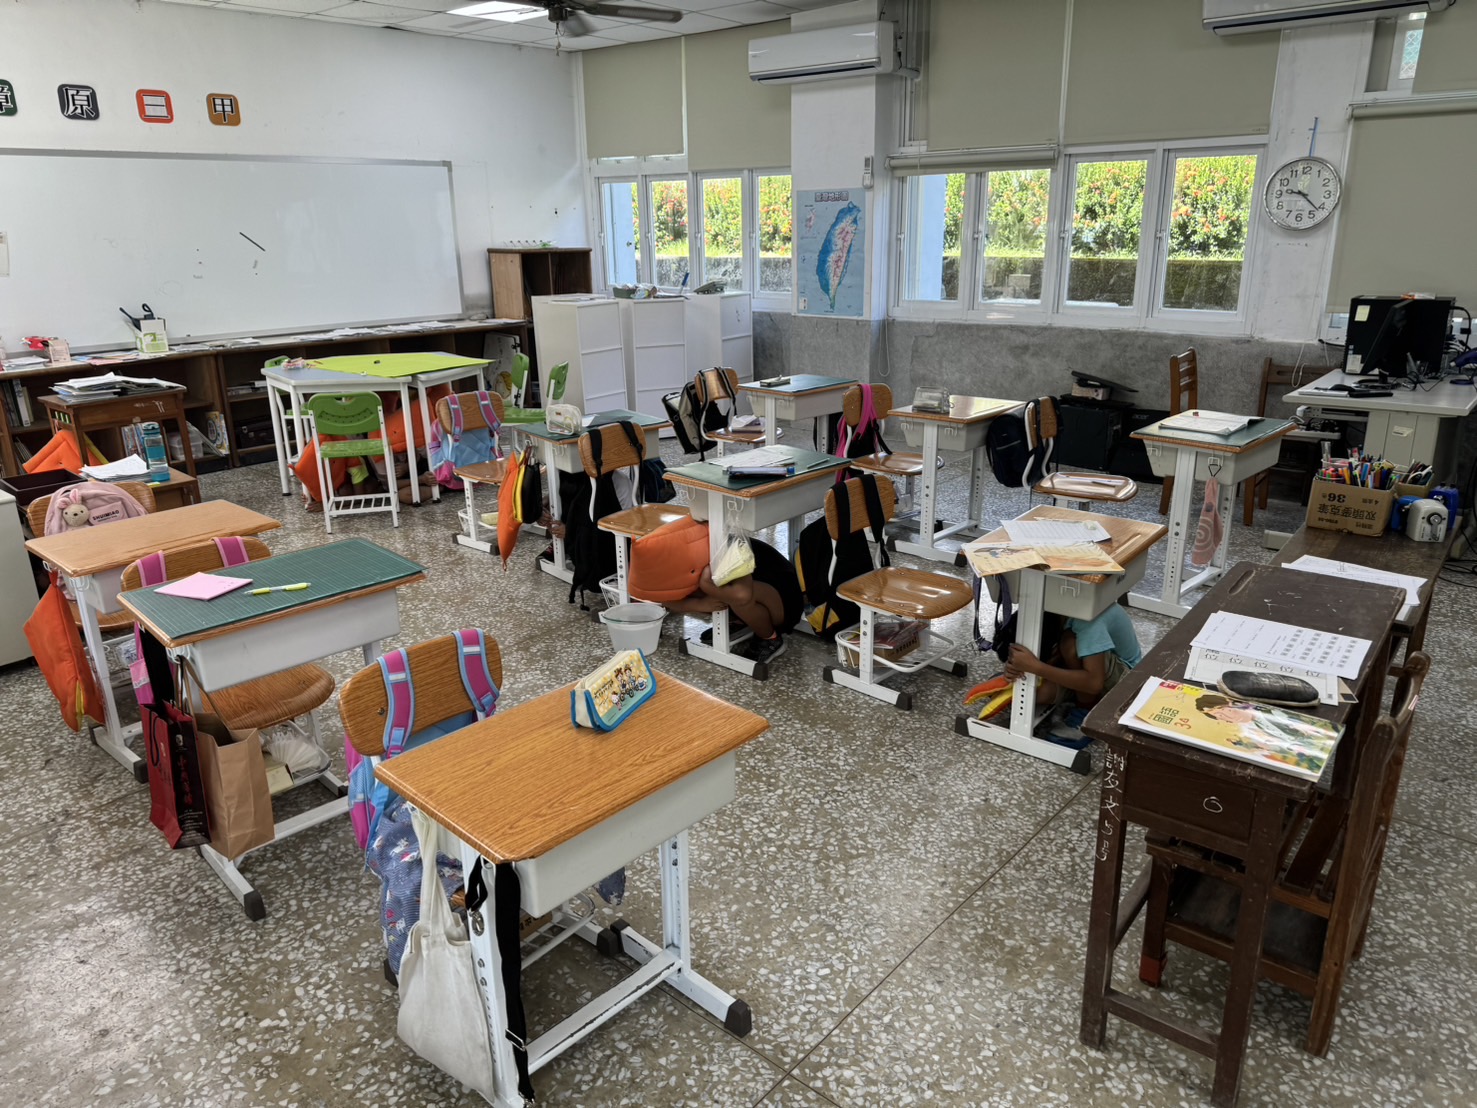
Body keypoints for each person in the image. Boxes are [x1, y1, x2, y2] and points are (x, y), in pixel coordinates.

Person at [661, 537, 803, 665]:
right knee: (708, 595)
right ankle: (741, 622)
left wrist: (706, 586)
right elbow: (662, 598)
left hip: (785, 602)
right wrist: (699, 604)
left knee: (731, 595)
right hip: (757, 593)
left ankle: (770, 638)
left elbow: (742, 595)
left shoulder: (724, 551)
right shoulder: (682, 564)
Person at [1002, 601, 1142, 721]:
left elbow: (1094, 683)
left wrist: (1037, 667)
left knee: (1070, 645)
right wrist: (1016, 667)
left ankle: (1084, 712)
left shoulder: (1086, 622)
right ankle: (1080, 698)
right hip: (1086, 668)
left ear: (1054, 649)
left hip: (1126, 681)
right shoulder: (1048, 613)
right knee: (1036, 694)